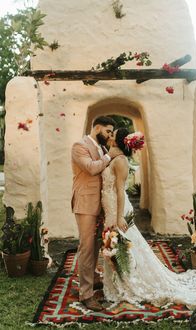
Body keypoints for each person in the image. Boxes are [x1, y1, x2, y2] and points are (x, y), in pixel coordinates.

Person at [101, 128, 196, 310]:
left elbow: (120, 191)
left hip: (117, 208)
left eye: (113, 135)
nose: (110, 137)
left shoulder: (120, 161)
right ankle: (119, 280)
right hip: (110, 207)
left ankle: (132, 281)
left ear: (119, 141)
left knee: (122, 244)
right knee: (116, 244)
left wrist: (119, 216)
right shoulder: (113, 158)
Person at [71, 116, 120, 312]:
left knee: (98, 244)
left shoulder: (103, 148)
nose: (109, 136)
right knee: (87, 248)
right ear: (97, 127)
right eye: (107, 131)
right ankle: (86, 294)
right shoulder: (79, 145)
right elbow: (92, 168)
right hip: (85, 203)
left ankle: (93, 279)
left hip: (101, 203)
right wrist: (110, 156)